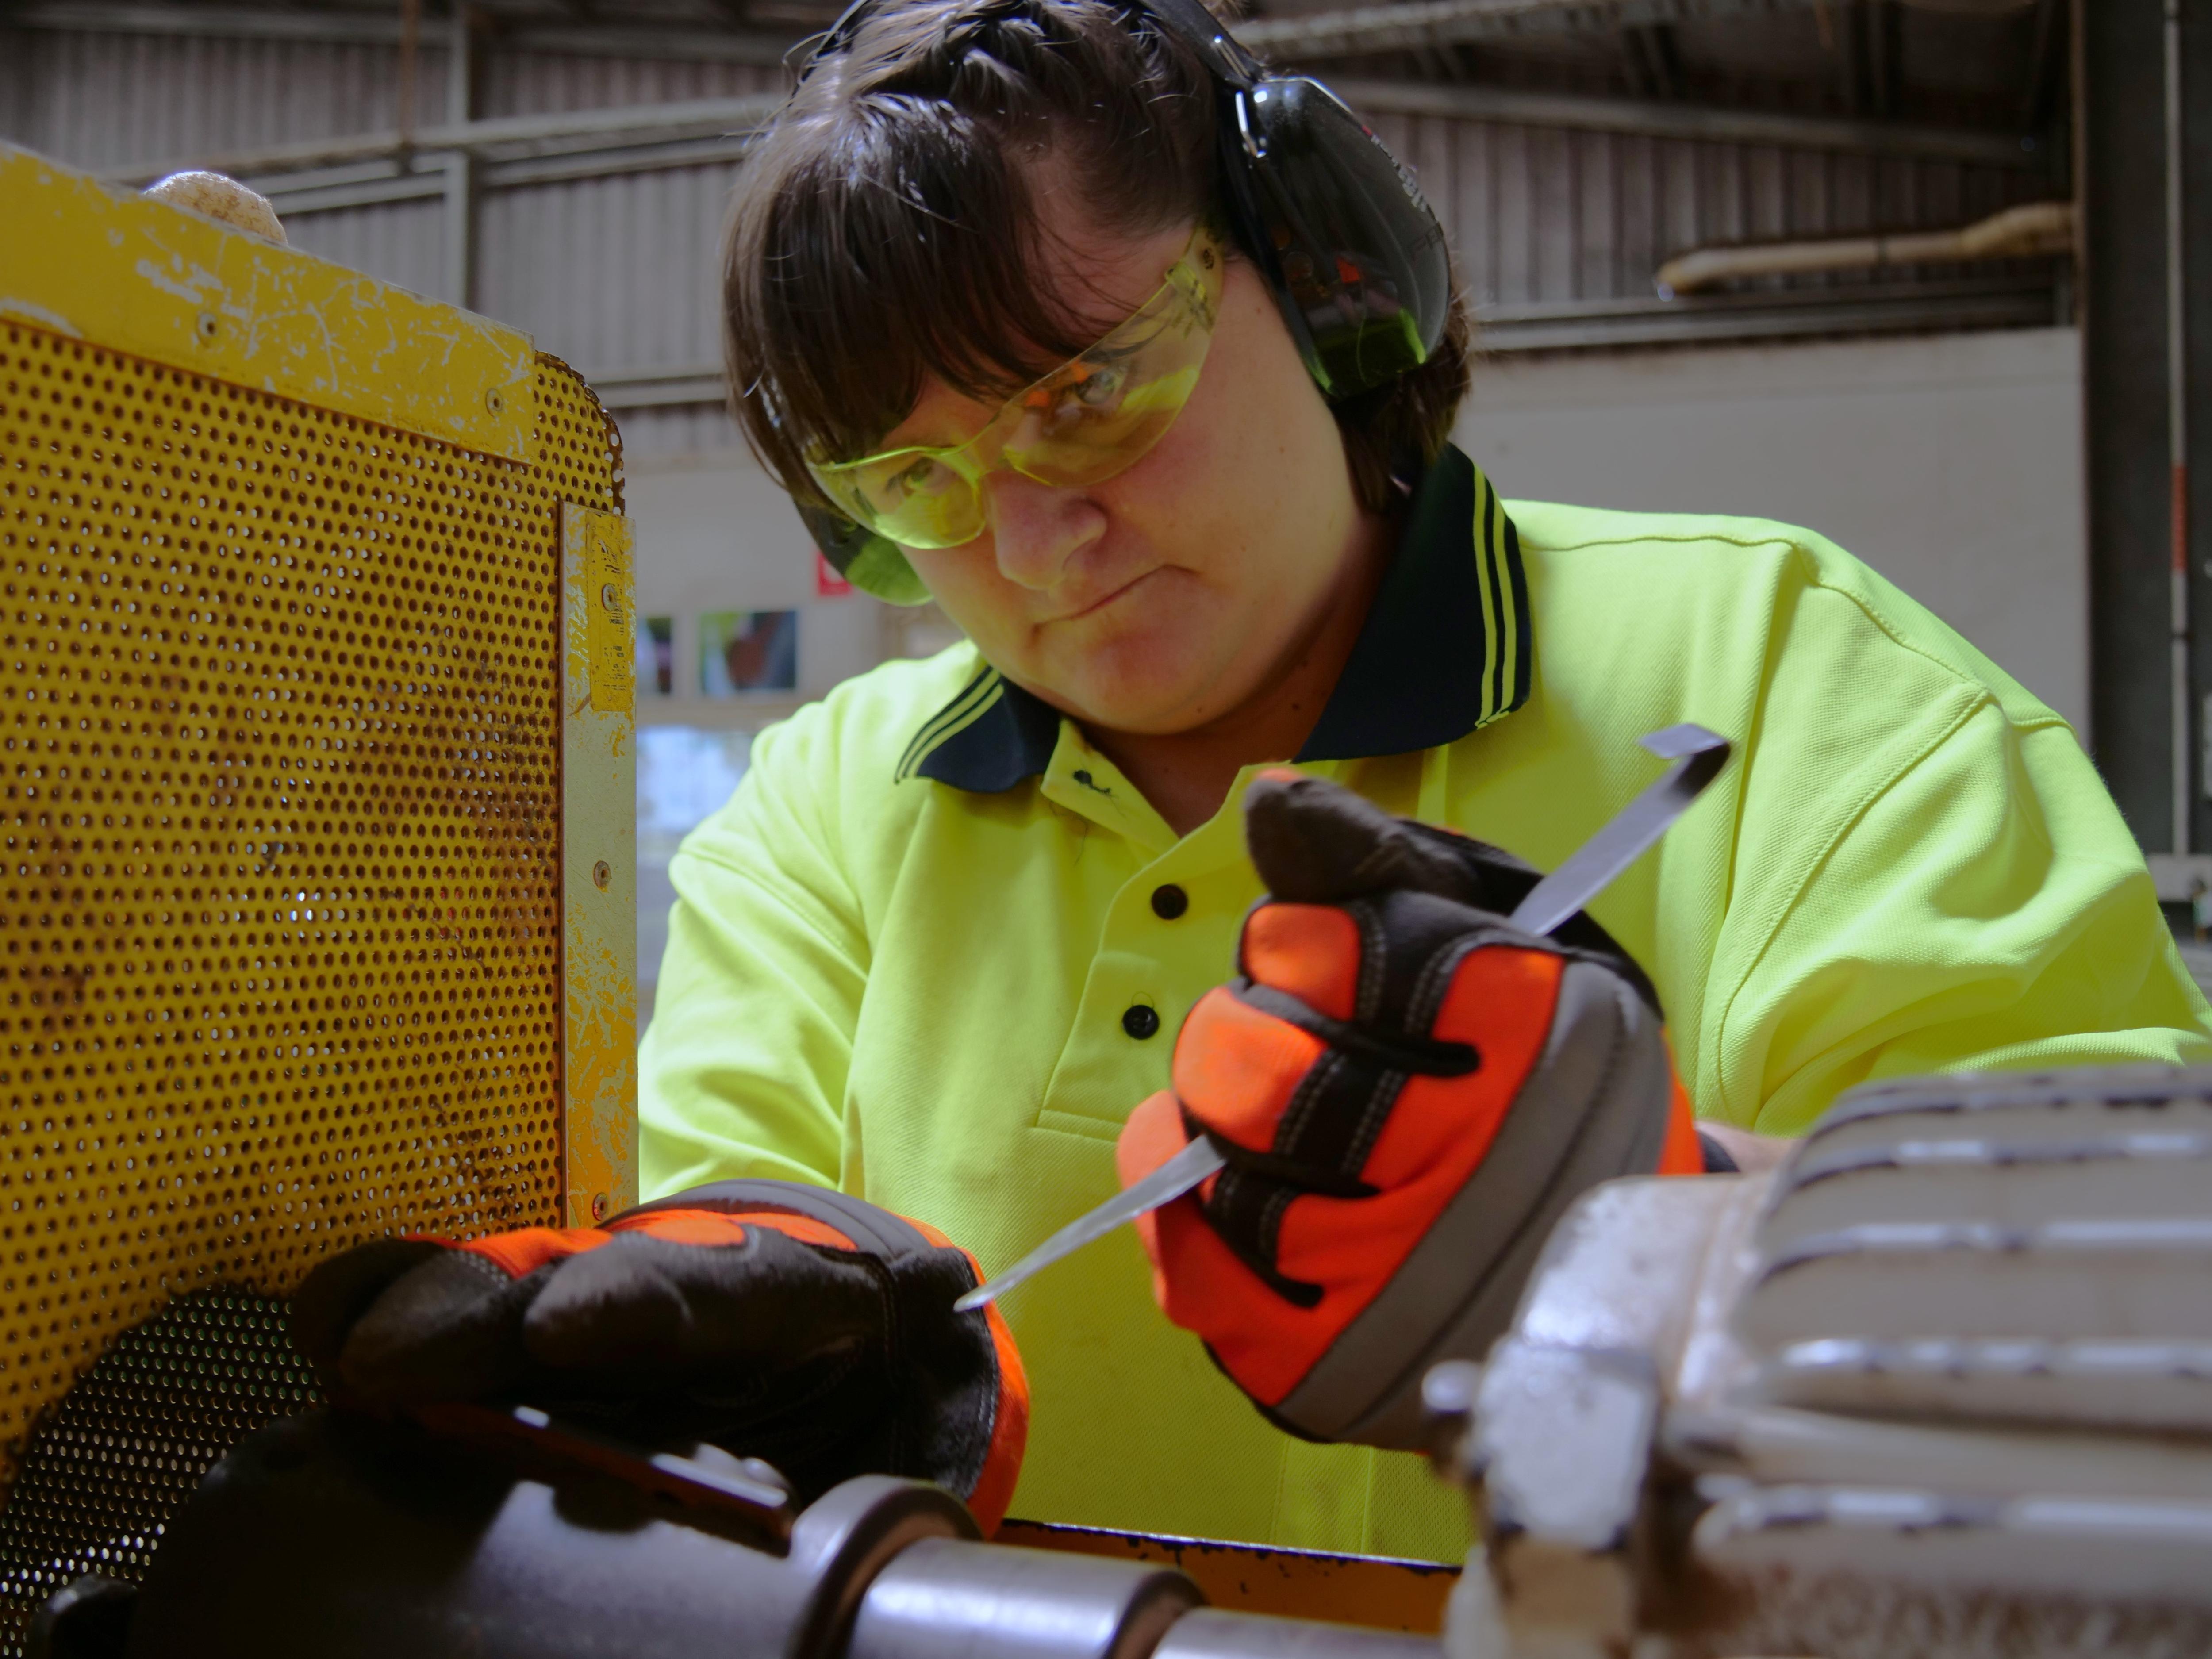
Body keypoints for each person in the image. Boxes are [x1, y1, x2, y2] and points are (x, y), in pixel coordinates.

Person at [296, 0, 2212, 1567]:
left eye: (1083, 387)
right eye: (919, 484)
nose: (1037, 540)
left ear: (1320, 279)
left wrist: (1657, 1234)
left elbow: (2143, 1336)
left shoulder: (1788, 676)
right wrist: (783, 1360)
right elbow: (738, 1217)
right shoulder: (829, 804)